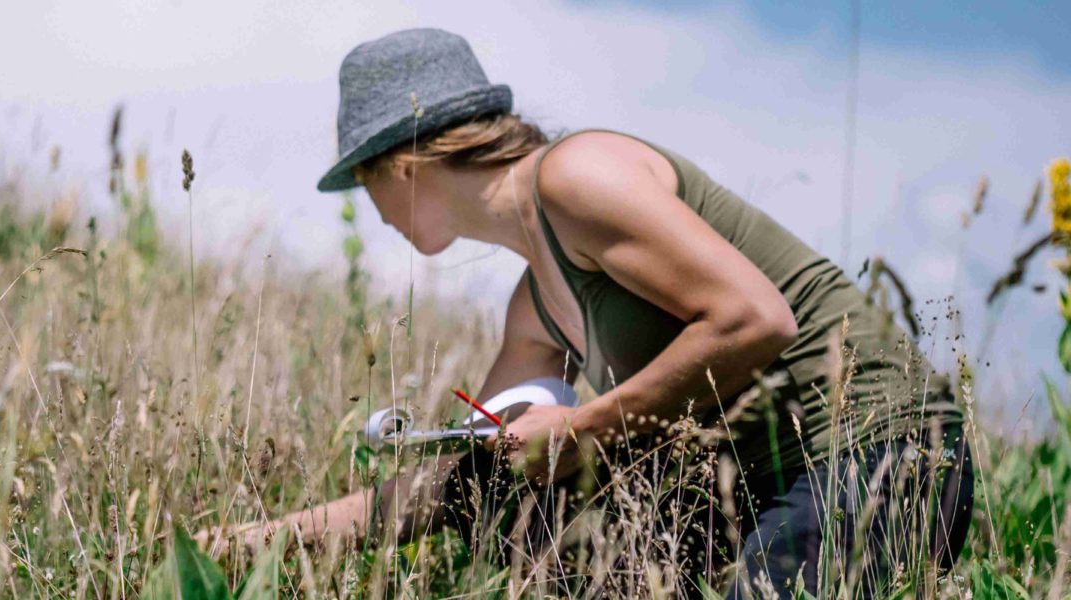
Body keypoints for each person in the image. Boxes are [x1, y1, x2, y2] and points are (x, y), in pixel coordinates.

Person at [224, 28, 974, 597]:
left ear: (402, 164)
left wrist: (580, 429)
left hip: (891, 452)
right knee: (507, 505)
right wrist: (257, 541)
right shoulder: (534, 308)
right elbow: (467, 475)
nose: (373, 208)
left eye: (364, 182)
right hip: (761, 488)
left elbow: (756, 318)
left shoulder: (579, 176)